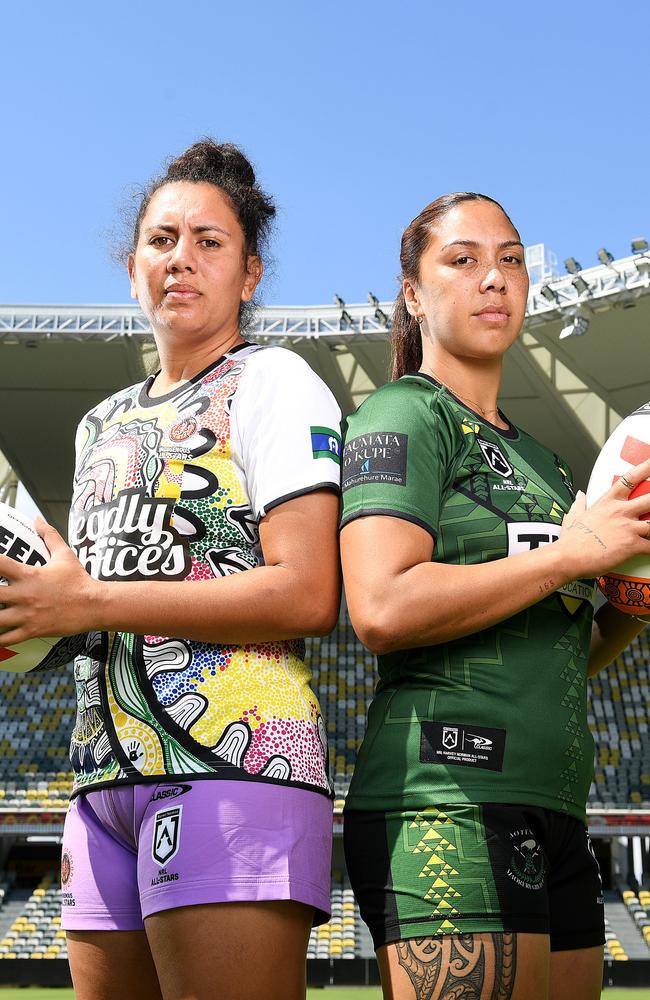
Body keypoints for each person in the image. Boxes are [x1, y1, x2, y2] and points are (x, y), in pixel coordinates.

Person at [0, 140, 342, 1000]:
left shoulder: (273, 382)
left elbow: (307, 590)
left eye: (208, 241)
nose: (180, 258)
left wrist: (83, 599)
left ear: (250, 274)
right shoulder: (98, 424)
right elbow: (72, 601)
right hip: (100, 779)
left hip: (234, 767)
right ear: (131, 267)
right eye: (160, 240)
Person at [339, 192, 650, 1000]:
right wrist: (576, 551)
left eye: (510, 259)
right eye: (463, 259)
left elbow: (569, 651)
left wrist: (630, 596)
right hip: (447, 797)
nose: (494, 279)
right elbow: (380, 607)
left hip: (558, 808)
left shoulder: (549, 468)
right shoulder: (405, 413)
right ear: (412, 292)